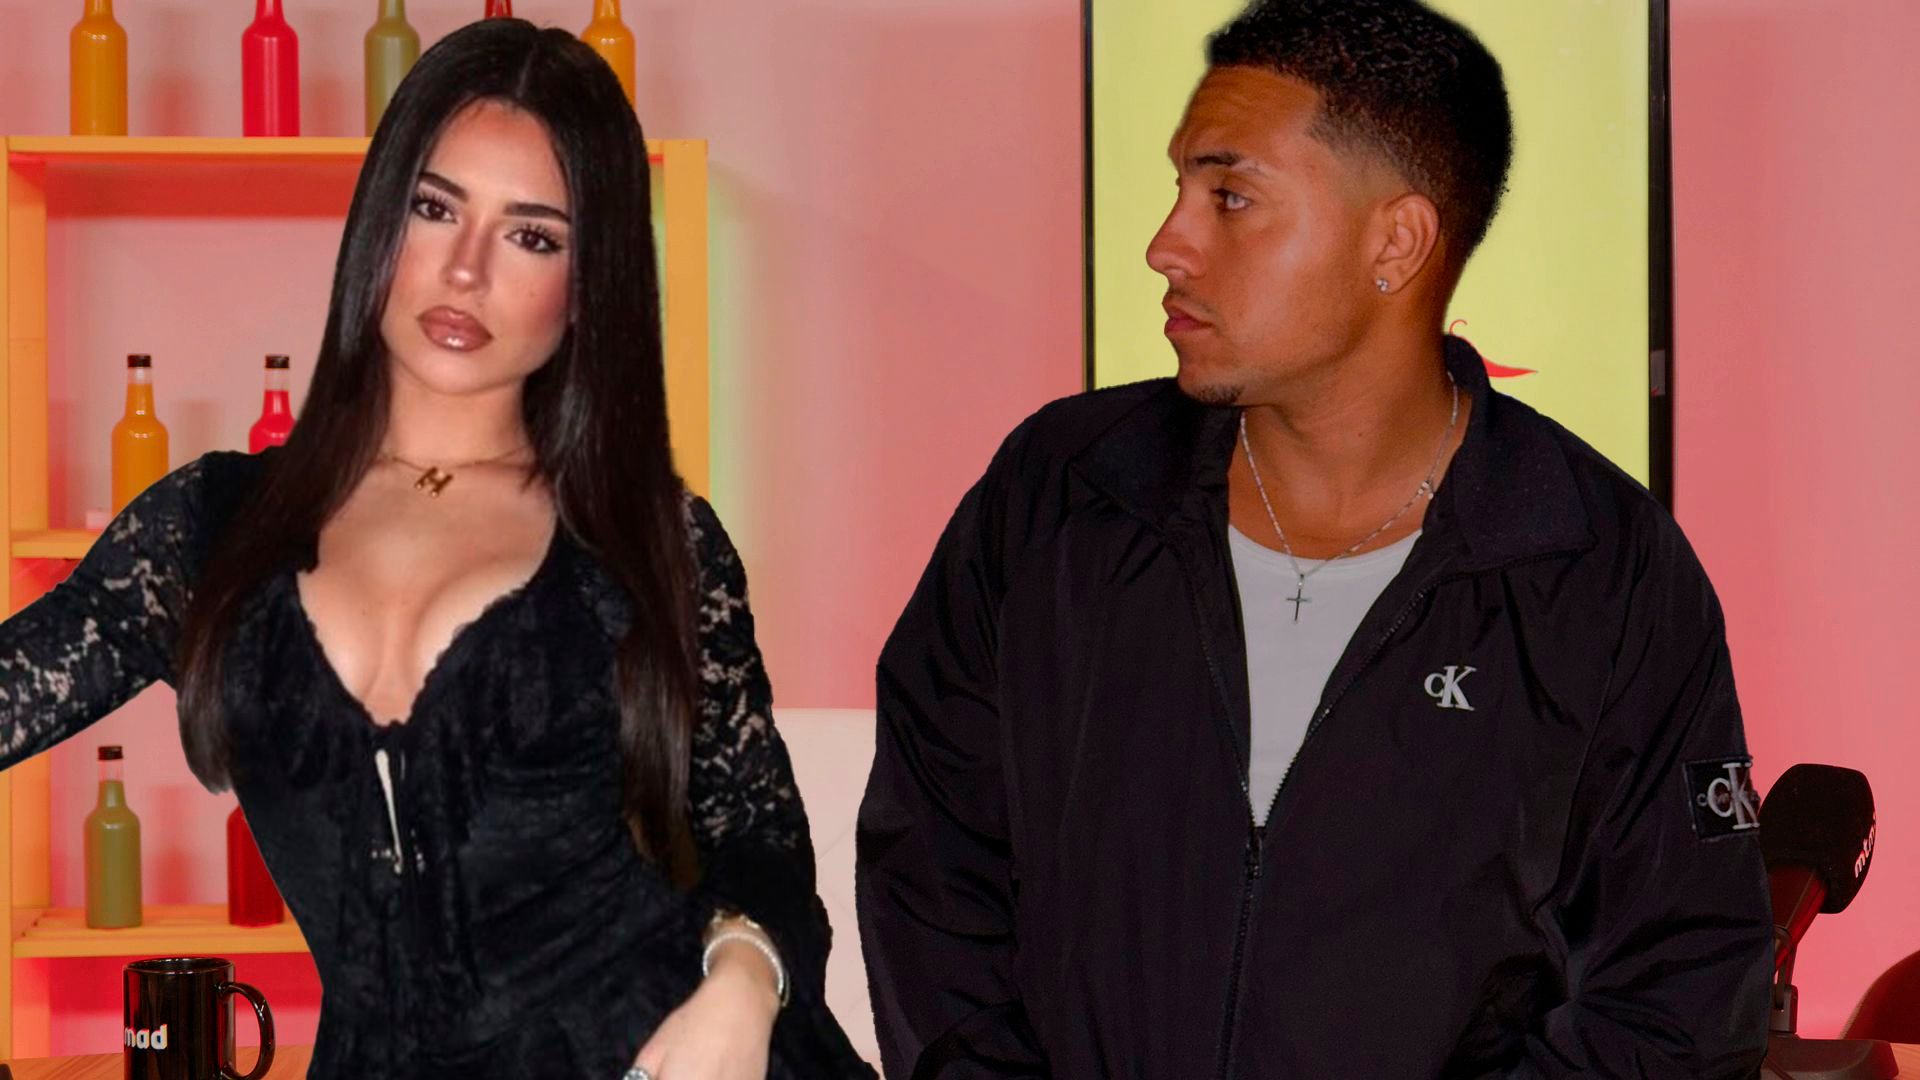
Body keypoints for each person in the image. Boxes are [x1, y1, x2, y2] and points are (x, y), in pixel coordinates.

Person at [855, 1, 1772, 1076]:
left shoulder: (1600, 568)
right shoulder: (1059, 495)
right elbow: (932, 875)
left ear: (1395, 242)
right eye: (1180, 189)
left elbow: (1678, 993)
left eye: (1231, 197)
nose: (1167, 245)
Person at [0, 20, 870, 1080]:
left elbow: (763, 839)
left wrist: (742, 983)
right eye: (435, 207)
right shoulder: (211, 528)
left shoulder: (653, 542)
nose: (466, 269)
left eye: (532, 237)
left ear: (587, 285)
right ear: (381, 221)